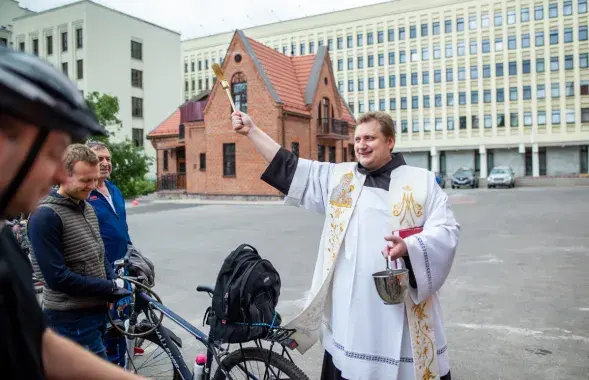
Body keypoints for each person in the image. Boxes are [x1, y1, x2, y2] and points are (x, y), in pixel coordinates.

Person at [231, 110, 460, 380]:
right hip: (354, 310)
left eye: (370, 138)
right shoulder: (340, 179)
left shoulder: (421, 182)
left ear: (390, 142)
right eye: (358, 139)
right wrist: (252, 130)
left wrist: (411, 247)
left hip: (403, 309)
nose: (361, 145)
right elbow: (289, 167)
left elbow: (446, 230)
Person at [0, 45, 144, 379]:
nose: (61, 177)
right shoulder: (46, 216)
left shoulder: (4, 242)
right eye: (51, 154)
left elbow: (39, 345)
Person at [27, 144, 130, 360]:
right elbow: (57, 278)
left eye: (94, 179)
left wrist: (111, 287)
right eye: (85, 180)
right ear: (63, 175)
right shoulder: (45, 216)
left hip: (96, 314)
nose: (93, 186)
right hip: (70, 321)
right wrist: (108, 286)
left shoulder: (87, 207)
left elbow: (99, 255)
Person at [86, 140, 135, 366]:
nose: (106, 163)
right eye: (99, 159)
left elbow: (121, 227)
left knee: (124, 319)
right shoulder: (85, 195)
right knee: (108, 326)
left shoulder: (113, 189)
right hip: (102, 271)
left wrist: (134, 253)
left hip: (123, 266)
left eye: (108, 158)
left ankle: (121, 362)